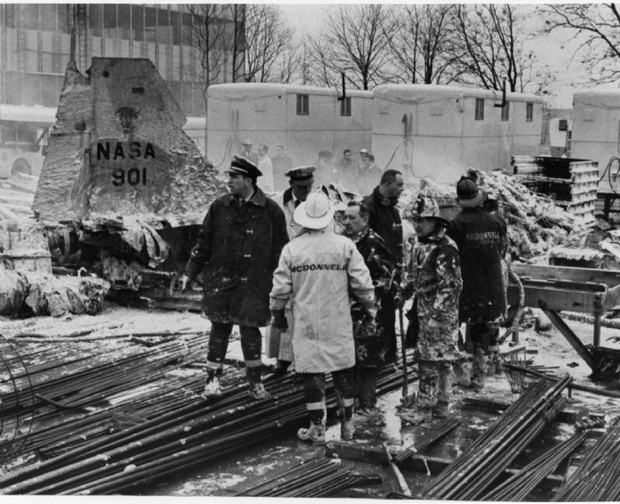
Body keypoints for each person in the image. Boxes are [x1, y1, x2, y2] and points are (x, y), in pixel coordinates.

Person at [270, 191, 376, 443]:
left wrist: (277, 313)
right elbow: (362, 283)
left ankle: (317, 428)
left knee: (311, 374)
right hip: (337, 319)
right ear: (329, 217)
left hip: (306, 321)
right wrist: (369, 308)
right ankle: (348, 425)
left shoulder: (292, 249)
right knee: (342, 371)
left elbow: (280, 288)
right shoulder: (344, 245)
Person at [181, 155, 289, 400]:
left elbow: (281, 251)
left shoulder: (271, 211)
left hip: (255, 283)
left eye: (234, 177)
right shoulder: (220, 206)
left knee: (250, 331)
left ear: (248, 180)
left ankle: (255, 383)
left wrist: (279, 283)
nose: (228, 181)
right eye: (229, 176)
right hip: (222, 280)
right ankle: (212, 381)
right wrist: (190, 272)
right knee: (219, 327)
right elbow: (204, 241)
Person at [398, 194, 463, 424]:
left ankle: (428, 407)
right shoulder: (419, 245)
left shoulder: (445, 247)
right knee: (437, 359)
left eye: (422, 221)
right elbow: (413, 275)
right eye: (415, 220)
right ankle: (440, 404)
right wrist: (403, 292)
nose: (417, 225)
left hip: (440, 315)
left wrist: (437, 315)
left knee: (431, 362)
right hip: (424, 311)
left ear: (435, 222)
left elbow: (451, 285)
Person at [447, 176, 508, 391]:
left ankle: (460, 372)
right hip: (491, 286)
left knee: (455, 327)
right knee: (482, 329)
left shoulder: (456, 225)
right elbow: (503, 251)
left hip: (466, 287)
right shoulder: (497, 222)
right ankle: (479, 376)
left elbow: (451, 258)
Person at [341, 201, 393, 413]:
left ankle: (367, 403)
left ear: (365, 219)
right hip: (347, 312)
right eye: (344, 217)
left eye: (352, 218)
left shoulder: (373, 243)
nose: (347, 222)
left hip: (369, 313)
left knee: (369, 361)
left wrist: (369, 302)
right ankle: (351, 402)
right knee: (349, 360)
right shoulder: (344, 242)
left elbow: (384, 278)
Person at [269, 166, 316, 376]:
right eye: (301, 187)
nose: (306, 191)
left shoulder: (317, 203)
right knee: (282, 309)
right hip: (283, 259)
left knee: (306, 310)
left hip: (309, 262)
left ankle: (303, 360)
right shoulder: (278, 202)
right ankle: (282, 359)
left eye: (309, 186)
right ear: (291, 185)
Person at [362, 169, 405, 364]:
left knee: (389, 315)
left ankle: (389, 354)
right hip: (373, 276)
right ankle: (375, 357)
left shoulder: (393, 211)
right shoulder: (369, 208)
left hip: (391, 274)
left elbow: (397, 243)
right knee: (374, 317)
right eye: (399, 185)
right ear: (387, 184)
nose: (402, 189)